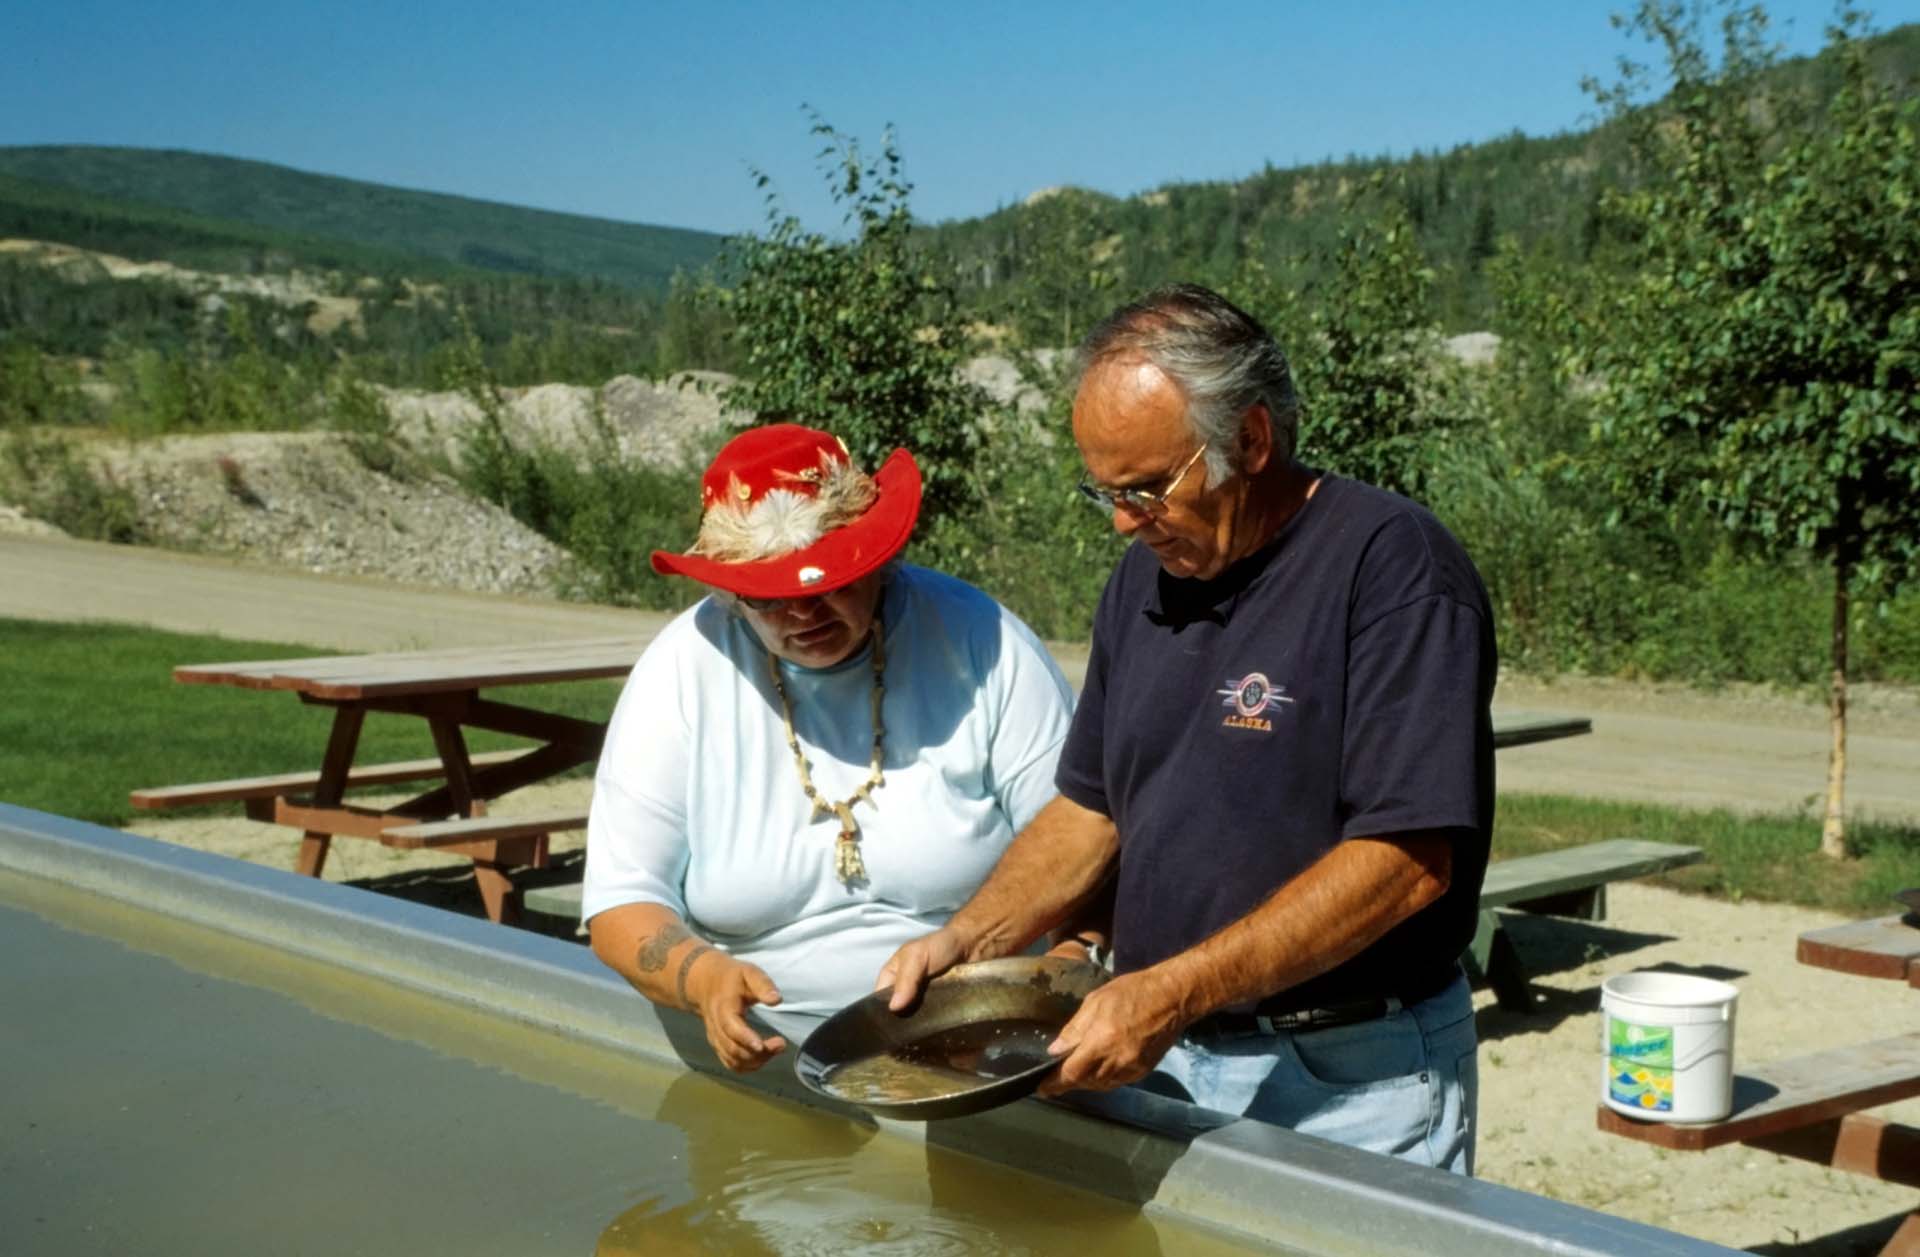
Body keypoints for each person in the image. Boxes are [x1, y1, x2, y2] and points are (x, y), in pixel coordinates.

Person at [877, 283, 1496, 1174]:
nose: (1124, 522)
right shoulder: (1144, 580)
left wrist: (1174, 990)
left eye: (1146, 488)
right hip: (1170, 1048)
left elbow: (1406, 861)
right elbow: (1091, 809)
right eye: (1105, 492)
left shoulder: (1393, 568)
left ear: (1252, 439)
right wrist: (968, 941)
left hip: (1350, 1073)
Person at [583, 422, 1075, 1074]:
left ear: (879, 561)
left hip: (980, 1034)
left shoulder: (981, 639)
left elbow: (1081, 839)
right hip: (771, 1051)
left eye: (833, 583)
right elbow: (620, 901)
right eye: (771, 598)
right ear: (730, 596)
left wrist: (1060, 977)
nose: (804, 613)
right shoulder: (680, 670)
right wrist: (700, 976)